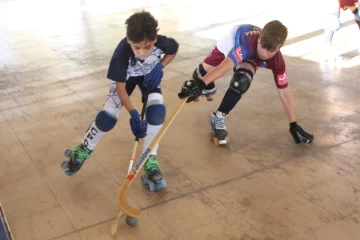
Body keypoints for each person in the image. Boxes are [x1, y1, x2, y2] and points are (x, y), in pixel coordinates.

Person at [62, 10, 179, 183]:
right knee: (107, 118)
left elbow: (173, 50)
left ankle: (149, 159)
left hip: (149, 77)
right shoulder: (121, 53)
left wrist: (160, 67)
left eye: (148, 47)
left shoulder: (162, 42)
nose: (143, 53)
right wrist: (133, 113)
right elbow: (120, 88)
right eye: (137, 47)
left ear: (155, 39)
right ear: (129, 41)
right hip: (127, 81)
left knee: (157, 114)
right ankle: (83, 149)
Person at [178, 20, 314, 145]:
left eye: (271, 50)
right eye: (263, 46)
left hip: (250, 57)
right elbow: (224, 67)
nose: (265, 54)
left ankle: (218, 117)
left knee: (242, 80)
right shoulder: (245, 45)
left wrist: (293, 123)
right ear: (259, 37)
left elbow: (284, 91)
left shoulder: (277, 61)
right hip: (234, 39)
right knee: (203, 73)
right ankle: (199, 74)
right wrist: (201, 84)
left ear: (279, 48)